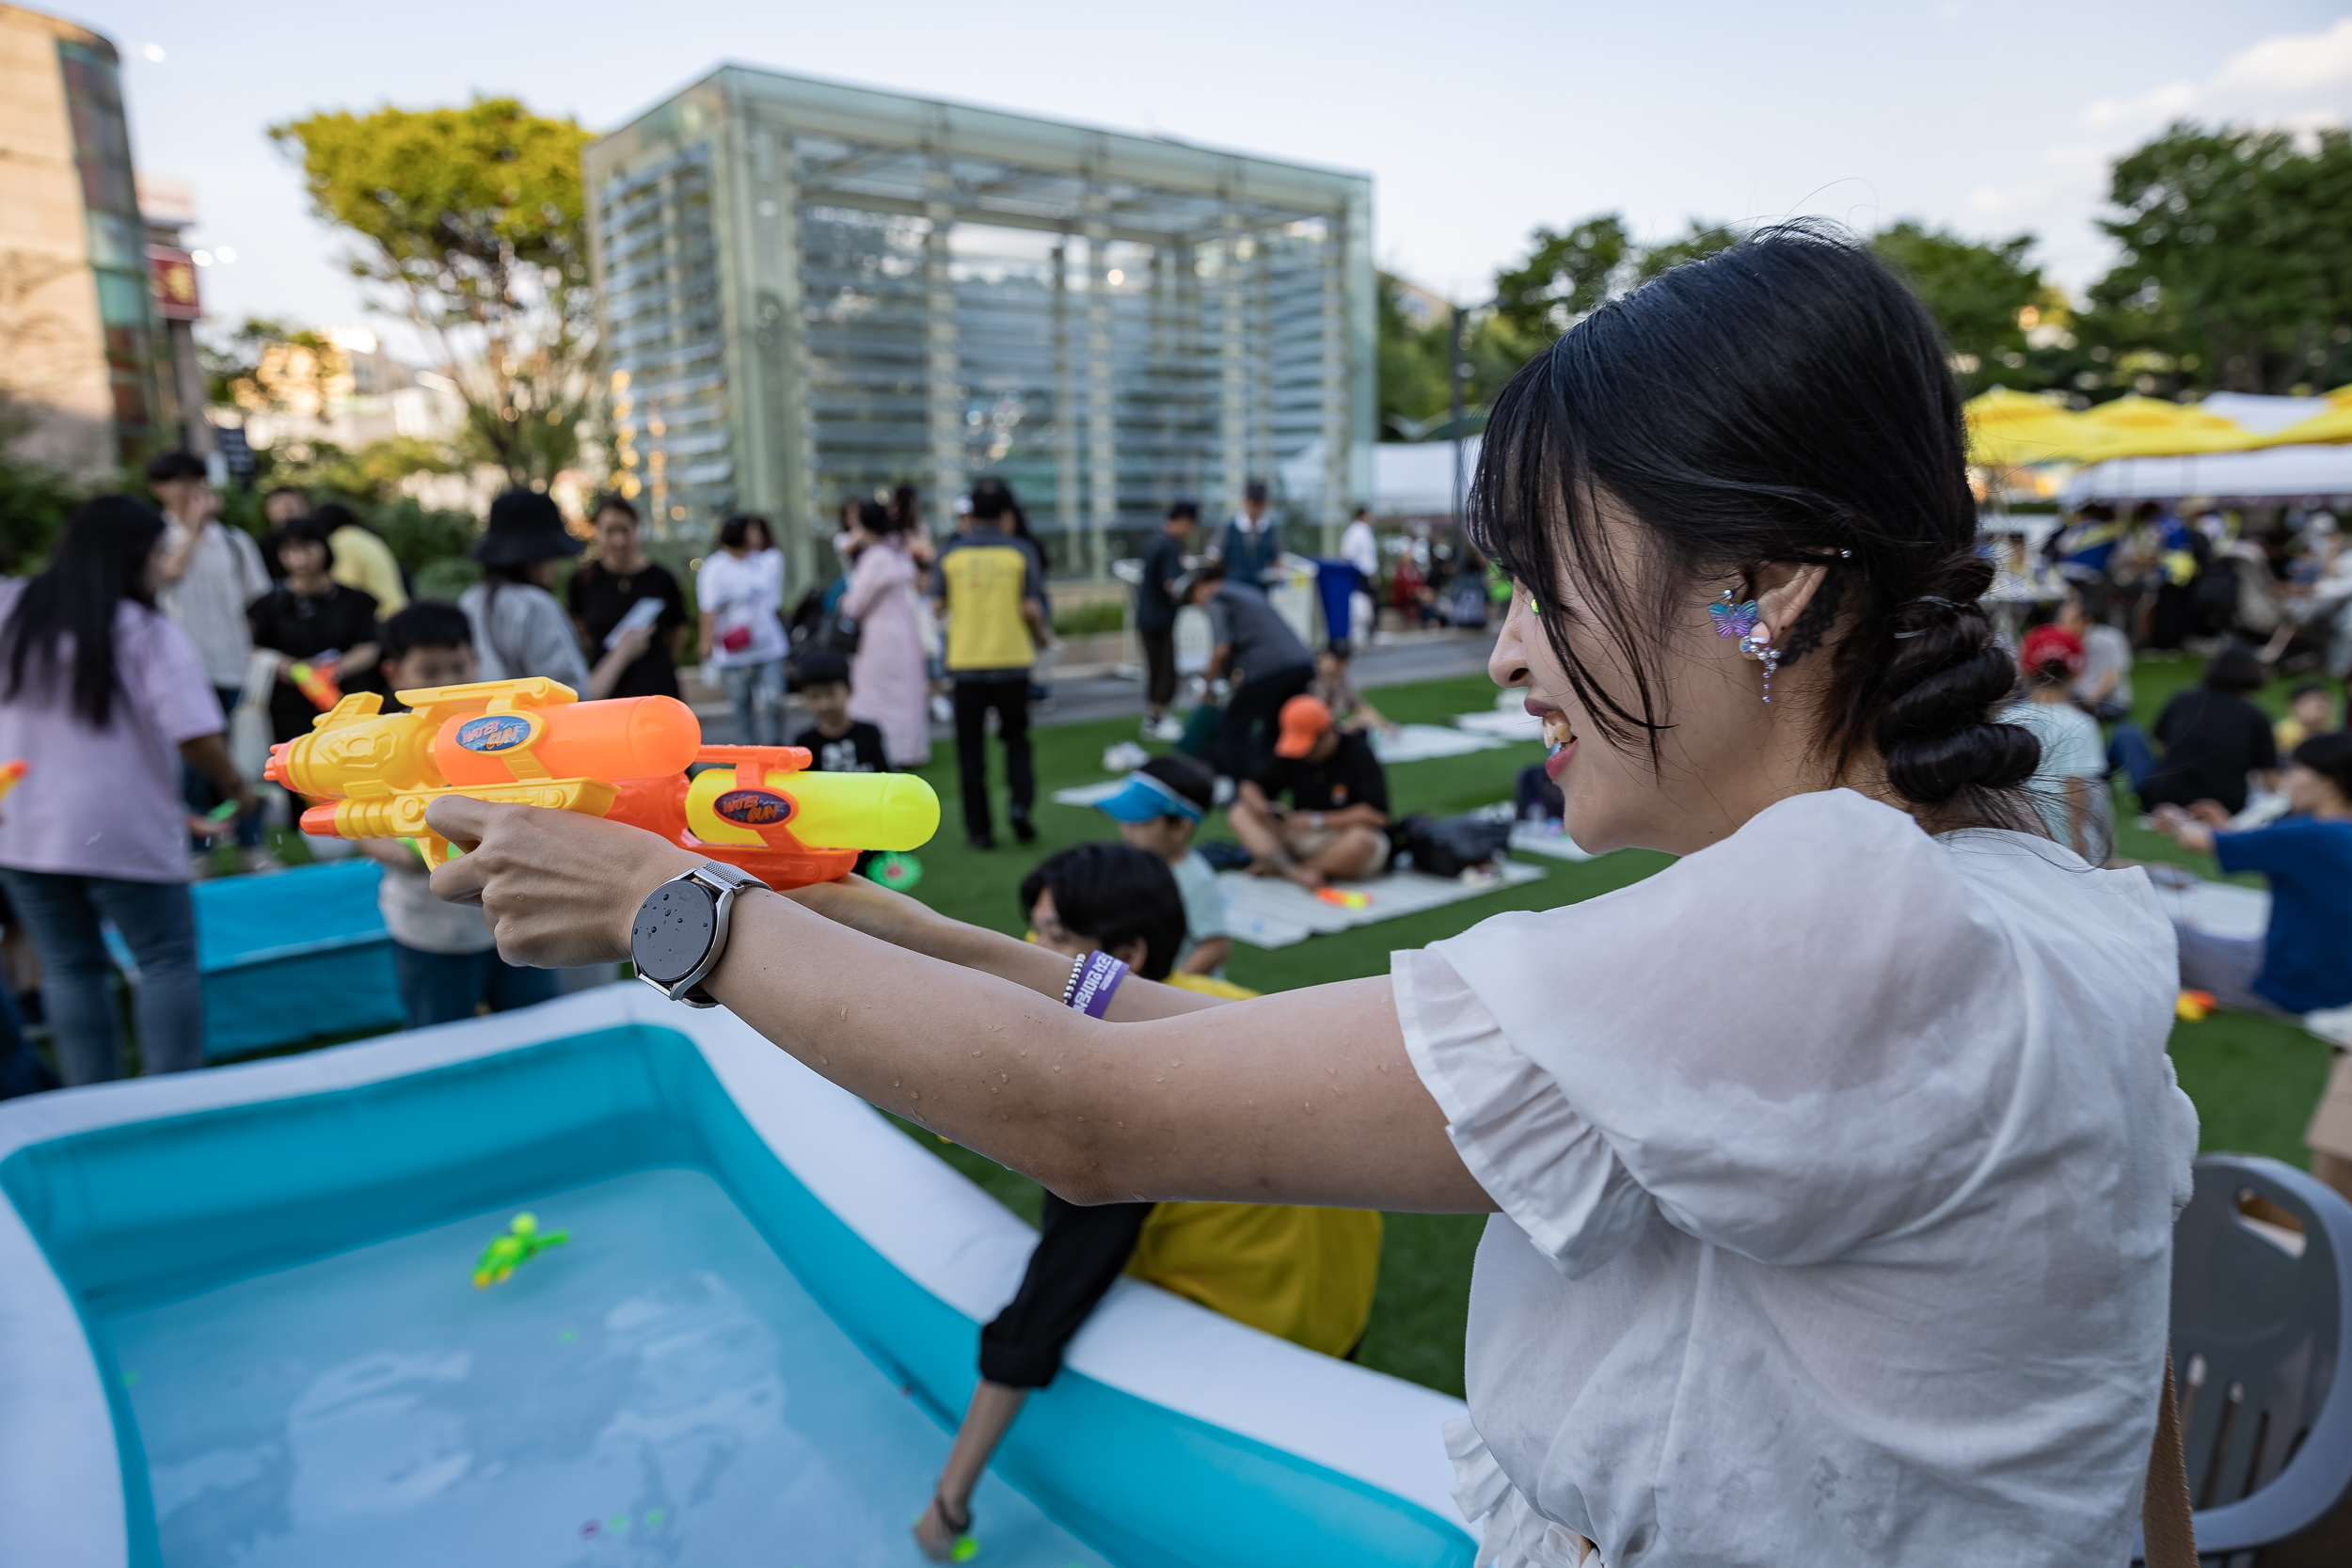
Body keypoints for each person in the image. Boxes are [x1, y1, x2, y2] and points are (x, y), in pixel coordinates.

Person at [422, 227, 2196, 1564]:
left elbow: (1101, 1122)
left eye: (1544, 582)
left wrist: (678, 914)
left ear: (1772, 591)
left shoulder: (1834, 913)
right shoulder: (2027, 869)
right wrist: (880, 927)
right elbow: (2135, 1403)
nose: (1505, 656)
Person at [910, 843, 1379, 1560]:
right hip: (1342, 1316)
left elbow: (1041, 1315)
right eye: (1033, 929)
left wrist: (949, 1499)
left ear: (1125, 952)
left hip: (1258, 1354)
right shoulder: (1222, 1000)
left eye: (1055, 938)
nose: (1028, 951)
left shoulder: (1124, 1108)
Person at [0, 497, 257, 1085]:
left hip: (21, 827)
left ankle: (93, 1107)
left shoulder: (11, 606)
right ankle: (171, 1104)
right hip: (121, 830)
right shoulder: (142, 629)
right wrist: (235, 785)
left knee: (69, 970)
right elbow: (194, 733)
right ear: (133, 555)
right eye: (161, 553)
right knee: (165, 963)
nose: (167, 566)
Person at [357, 602, 561, 1028]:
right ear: (394, 674)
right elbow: (361, 822)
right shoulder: (379, 746)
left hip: (519, 920)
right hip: (430, 933)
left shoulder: (502, 734)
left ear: (476, 662)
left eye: (458, 667)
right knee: (444, 1042)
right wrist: (408, 855)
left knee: (538, 1031)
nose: (448, 683)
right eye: (430, 673)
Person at [2150, 732, 2352, 1022]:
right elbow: (2282, 859)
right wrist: (2227, 828)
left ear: (2330, 783)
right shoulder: (2334, 833)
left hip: (2292, 986)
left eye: (2297, 770)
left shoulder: (2311, 834)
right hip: (2337, 982)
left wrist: (2174, 816)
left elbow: (2196, 841)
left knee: (2152, 927)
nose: (2287, 779)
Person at [147, 449, 272, 869]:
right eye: (176, 481)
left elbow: (257, 604)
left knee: (247, 763)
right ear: (159, 489)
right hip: (181, 674)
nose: (188, 491)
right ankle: (198, 854)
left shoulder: (235, 542)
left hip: (235, 669)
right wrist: (194, 531)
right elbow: (167, 577)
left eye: (195, 481)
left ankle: (252, 848)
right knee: (194, 768)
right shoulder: (155, 542)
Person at [933, 481, 1049, 847]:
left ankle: (979, 831)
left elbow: (936, 606)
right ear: (1004, 514)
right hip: (1012, 660)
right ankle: (1020, 807)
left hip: (966, 662)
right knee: (1017, 741)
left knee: (971, 752)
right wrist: (1042, 636)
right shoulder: (1020, 551)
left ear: (971, 514)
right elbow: (1031, 607)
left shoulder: (950, 554)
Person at [1089, 752, 1232, 977]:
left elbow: (1215, 947)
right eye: (1125, 818)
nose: (1127, 828)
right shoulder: (1136, 863)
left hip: (1177, 998)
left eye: (1140, 821)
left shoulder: (1196, 880)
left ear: (1180, 828)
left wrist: (1168, 990)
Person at [1228, 694, 1391, 888]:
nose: (1303, 754)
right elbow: (1250, 786)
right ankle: (1294, 871)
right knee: (1240, 812)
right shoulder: (1293, 752)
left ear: (1327, 733)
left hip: (1341, 836)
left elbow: (1378, 816)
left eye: (1309, 747)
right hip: (1300, 833)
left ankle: (1291, 869)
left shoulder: (1357, 754)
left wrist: (1317, 820)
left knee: (1362, 842)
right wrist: (1264, 808)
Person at [246, 515, 381, 746]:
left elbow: (370, 646)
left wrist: (331, 672)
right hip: (289, 708)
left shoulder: (357, 601)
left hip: (348, 702)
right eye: (289, 550)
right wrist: (295, 671)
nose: (299, 559)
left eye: (307, 547)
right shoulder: (267, 605)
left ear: (324, 548)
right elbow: (255, 648)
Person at [1184, 559, 1316, 781]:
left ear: (1201, 587)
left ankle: (1242, 786)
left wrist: (1207, 685)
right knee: (1278, 726)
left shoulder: (1216, 598)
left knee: (1232, 724)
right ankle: (1280, 780)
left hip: (1271, 668)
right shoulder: (1246, 592)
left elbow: (1221, 650)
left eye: (1194, 599)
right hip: (1301, 662)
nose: (1198, 606)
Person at [2114, 642, 2278, 816]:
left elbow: (2164, 748)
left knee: (2127, 732)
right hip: (2225, 805)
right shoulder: (2257, 716)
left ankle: (2096, 786)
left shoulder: (2182, 700)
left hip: (2163, 798)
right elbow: (2269, 776)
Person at [460, 488, 593, 691]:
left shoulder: (470, 599)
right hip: (533, 722)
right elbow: (573, 691)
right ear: (537, 557)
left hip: (479, 721)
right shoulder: (535, 604)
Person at [1998, 625, 2110, 860]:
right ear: (2078, 671)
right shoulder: (2081, 723)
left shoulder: (2004, 720)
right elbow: (2075, 785)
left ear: (2024, 669)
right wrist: (2077, 841)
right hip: (2062, 838)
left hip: (2013, 834)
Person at [838, 499, 931, 768]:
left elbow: (855, 603)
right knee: (906, 692)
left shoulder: (875, 557)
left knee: (878, 692)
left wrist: (844, 603)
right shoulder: (895, 551)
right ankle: (909, 747)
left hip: (879, 635)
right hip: (904, 629)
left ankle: (889, 749)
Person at [567, 494, 686, 700]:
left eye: (624, 530)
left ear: (636, 530)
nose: (618, 540)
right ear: (597, 532)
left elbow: (678, 631)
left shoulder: (662, 579)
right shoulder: (583, 580)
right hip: (607, 692)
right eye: (610, 531)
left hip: (657, 690)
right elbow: (579, 631)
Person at [698, 514, 789, 744]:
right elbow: (708, 609)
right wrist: (706, 643)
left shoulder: (762, 560)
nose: (758, 535)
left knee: (773, 700)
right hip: (734, 651)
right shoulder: (715, 568)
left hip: (768, 645)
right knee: (742, 707)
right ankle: (749, 753)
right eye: (752, 531)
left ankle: (774, 749)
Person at [1136, 500, 1199, 741]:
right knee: (1164, 670)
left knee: (1156, 668)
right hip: (1160, 618)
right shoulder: (1170, 545)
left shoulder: (1153, 540)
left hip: (1147, 616)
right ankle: (1156, 720)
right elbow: (1171, 584)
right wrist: (1193, 591)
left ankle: (1156, 717)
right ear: (1183, 521)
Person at [788, 649, 889, 773]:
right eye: (814, 696)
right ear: (805, 698)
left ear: (849, 689)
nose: (824, 704)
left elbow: (887, 774)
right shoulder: (805, 744)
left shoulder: (869, 734)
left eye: (831, 693)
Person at [314, 501, 409, 616]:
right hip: (398, 611)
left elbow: (346, 587)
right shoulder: (367, 537)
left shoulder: (341, 542)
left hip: (379, 616)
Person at [2057, 583, 2134, 721]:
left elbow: (2111, 679)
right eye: (2061, 621)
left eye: (2068, 622)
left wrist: (2084, 705)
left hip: (2108, 701)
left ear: (2086, 621)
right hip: (2076, 699)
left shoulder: (2109, 639)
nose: (2062, 627)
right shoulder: (2062, 642)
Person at [1310, 640, 1393, 735]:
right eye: (1338, 662)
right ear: (1325, 658)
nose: (1342, 666)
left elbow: (1359, 706)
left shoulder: (1340, 679)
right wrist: (1348, 726)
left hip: (1333, 732)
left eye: (1345, 662)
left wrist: (1385, 725)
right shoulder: (1310, 678)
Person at [1209, 480, 1282, 586]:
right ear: (1245, 501)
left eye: (1259, 504)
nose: (1255, 508)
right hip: (1233, 586)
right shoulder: (1229, 527)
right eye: (1253, 503)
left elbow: (1277, 559)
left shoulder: (1270, 529)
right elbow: (1213, 556)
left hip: (1261, 587)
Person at [1340, 504, 1380, 644]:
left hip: (1366, 573)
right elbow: (1348, 555)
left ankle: (1370, 631)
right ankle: (1364, 632)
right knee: (1363, 601)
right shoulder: (1355, 532)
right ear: (1363, 515)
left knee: (1371, 601)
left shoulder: (1365, 531)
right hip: (1360, 573)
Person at [2275, 679, 2336, 755]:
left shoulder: (2332, 732)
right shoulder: (2283, 733)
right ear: (2294, 706)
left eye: (2324, 700)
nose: (2320, 705)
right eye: (2312, 701)